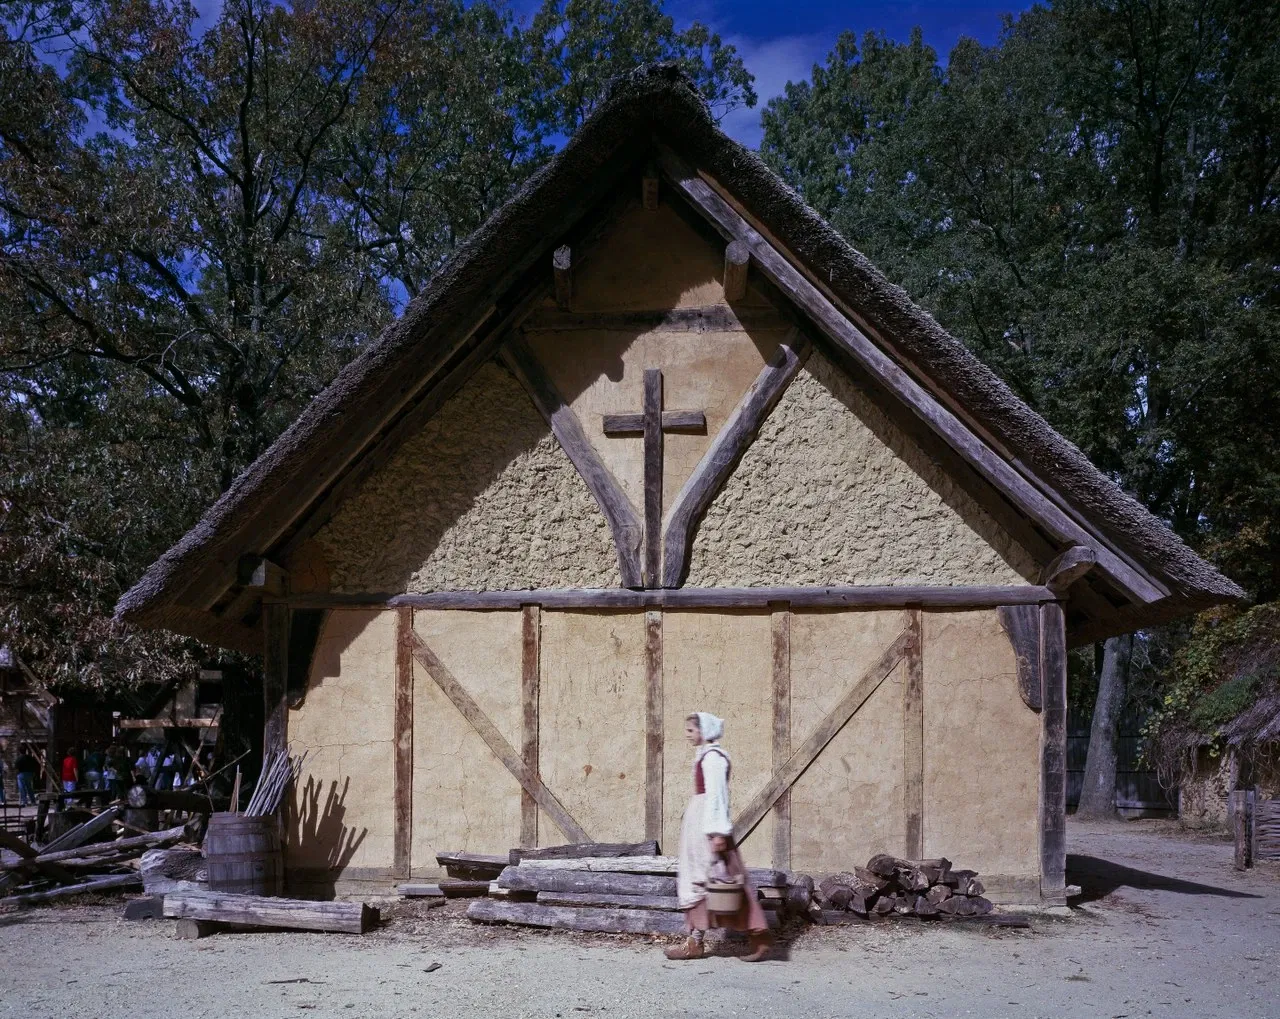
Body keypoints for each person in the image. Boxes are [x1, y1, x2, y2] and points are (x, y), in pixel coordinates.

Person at [664, 712, 771, 962]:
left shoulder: (713, 759)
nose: (687, 735)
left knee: (721, 880)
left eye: (691, 730)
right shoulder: (704, 756)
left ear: (704, 731)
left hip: (709, 827)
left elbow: (718, 796)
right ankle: (695, 942)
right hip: (700, 824)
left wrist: (718, 833)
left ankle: (758, 938)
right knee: (702, 880)